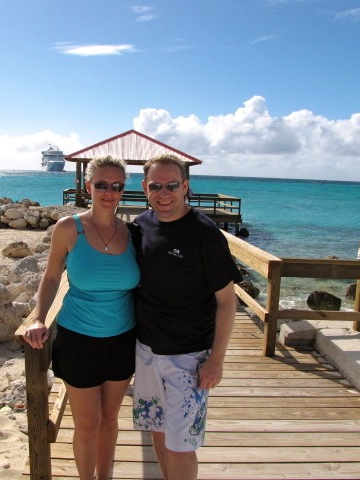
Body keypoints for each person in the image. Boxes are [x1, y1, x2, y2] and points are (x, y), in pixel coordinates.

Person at [23, 155, 140, 480]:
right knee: (87, 423)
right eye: (101, 184)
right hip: (78, 339)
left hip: (122, 340)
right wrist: (38, 317)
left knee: (110, 420)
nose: (108, 191)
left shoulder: (132, 233)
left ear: (122, 191)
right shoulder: (68, 228)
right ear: (88, 186)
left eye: (116, 186)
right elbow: (50, 278)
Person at [130, 154, 243, 480]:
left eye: (172, 185)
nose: (163, 193)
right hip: (147, 352)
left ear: (186, 187)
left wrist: (217, 360)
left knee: (182, 445)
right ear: (145, 188)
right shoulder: (142, 224)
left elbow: (226, 301)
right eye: (156, 186)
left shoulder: (205, 234)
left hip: (189, 357)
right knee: (158, 432)